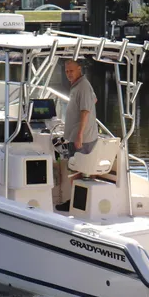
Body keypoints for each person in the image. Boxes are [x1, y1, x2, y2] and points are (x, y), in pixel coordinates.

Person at [55, 59, 99, 212]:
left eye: (71, 71)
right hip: (78, 135)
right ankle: (79, 203)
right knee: (79, 169)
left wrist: (79, 135)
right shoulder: (79, 85)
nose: (68, 74)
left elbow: (85, 111)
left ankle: (75, 204)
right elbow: (94, 100)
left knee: (77, 170)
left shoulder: (83, 86)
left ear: (79, 69)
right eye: (66, 71)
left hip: (82, 138)